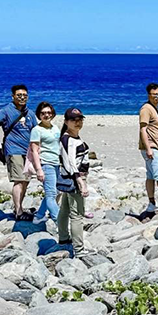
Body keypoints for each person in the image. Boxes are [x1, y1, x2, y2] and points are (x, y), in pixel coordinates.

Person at [0, 84, 37, 220]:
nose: (22, 98)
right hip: (13, 149)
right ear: (13, 96)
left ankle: (20, 207)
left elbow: (36, 130)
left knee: (26, 180)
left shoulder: (30, 113)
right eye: (19, 95)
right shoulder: (6, 110)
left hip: (28, 151)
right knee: (18, 180)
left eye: (25, 95)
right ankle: (18, 211)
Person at [57, 108, 90, 256]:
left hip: (70, 179)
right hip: (74, 179)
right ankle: (79, 249)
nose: (78, 123)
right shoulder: (68, 140)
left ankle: (64, 238)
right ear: (66, 122)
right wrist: (81, 182)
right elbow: (71, 163)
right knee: (77, 215)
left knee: (64, 209)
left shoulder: (72, 138)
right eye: (73, 120)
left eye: (80, 119)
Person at [28, 101, 61, 225]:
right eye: (43, 113)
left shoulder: (55, 128)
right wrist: (39, 170)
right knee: (52, 195)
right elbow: (34, 151)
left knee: (53, 192)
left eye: (48, 112)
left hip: (57, 163)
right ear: (39, 115)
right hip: (46, 164)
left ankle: (39, 216)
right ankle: (60, 223)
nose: (46, 115)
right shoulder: (37, 130)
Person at [139, 83, 158, 214]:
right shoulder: (146, 109)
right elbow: (143, 129)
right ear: (149, 95)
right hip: (151, 147)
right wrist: (149, 148)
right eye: (155, 94)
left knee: (150, 176)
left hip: (155, 147)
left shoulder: (154, 108)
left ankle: (151, 204)